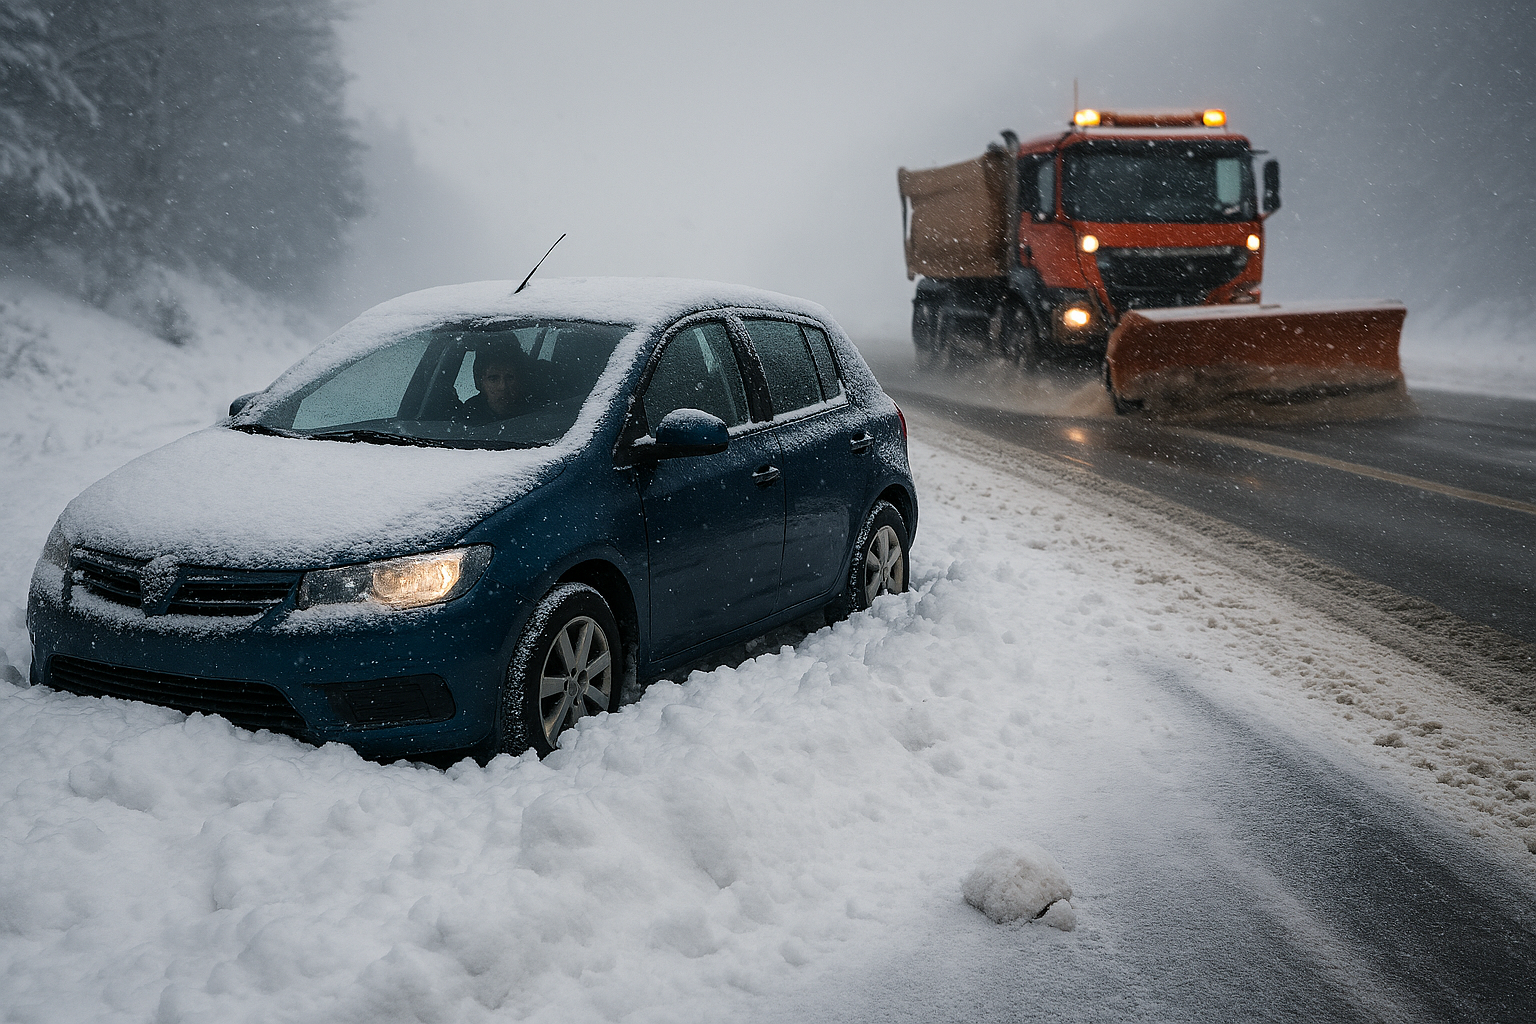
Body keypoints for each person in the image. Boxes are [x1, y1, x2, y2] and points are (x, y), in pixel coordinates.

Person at [458, 347, 532, 424]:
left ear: (519, 380)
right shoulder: (468, 416)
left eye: (510, 378)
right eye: (493, 379)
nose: (503, 386)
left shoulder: (535, 410)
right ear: (480, 382)